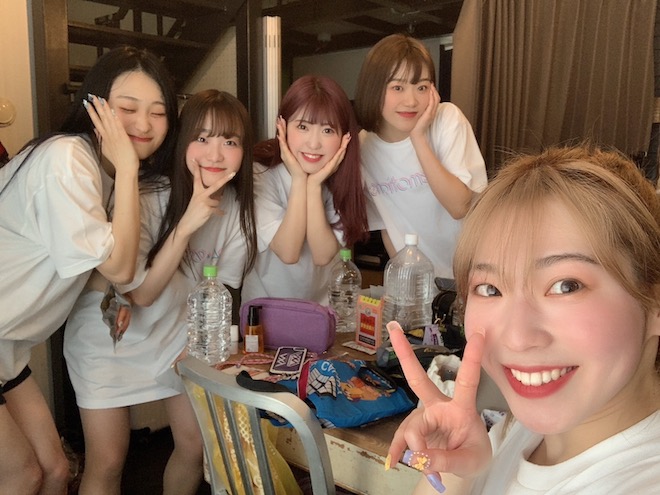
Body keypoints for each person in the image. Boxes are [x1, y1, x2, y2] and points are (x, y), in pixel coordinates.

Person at [385, 144, 660, 494]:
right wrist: (457, 470)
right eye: (490, 289)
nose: (516, 337)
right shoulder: (521, 434)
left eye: (565, 285)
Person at [64, 89, 257, 495]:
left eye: (230, 141)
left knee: (194, 445)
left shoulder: (238, 209)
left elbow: (220, 290)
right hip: (108, 336)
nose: (215, 154)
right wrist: (186, 225)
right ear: (182, 141)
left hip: (175, 336)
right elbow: (140, 294)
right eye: (202, 138)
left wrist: (199, 343)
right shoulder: (149, 195)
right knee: (108, 460)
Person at [0, 44, 172, 494]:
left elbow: (101, 268)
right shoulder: (68, 160)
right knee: (22, 475)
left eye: (158, 112)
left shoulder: (104, 172)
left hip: (7, 347)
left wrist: (118, 294)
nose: (144, 124)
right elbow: (120, 266)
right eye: (128, 109)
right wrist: (130, 170)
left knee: (57, 471)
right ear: (94, 108)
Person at [354, 34, 487, 279]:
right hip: (418, 282)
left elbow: (460, 207)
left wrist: (418, 138)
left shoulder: (447, 120)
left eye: (422, 87)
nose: (411, 101)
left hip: (474, 270)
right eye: (397, 87)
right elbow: (387, 225)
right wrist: (405, 282)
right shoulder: (363, 146)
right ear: (373, 89)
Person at [241, 75, 369, 304]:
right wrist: (300, 180)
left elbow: (323, 255)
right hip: (265, 309)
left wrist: (314, 185)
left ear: (344, 137)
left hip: (323, 309)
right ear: (282, 127)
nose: (313, 143)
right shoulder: (260, 173)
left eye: (327, 130)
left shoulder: (346, 178)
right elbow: (288, 252)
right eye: (303, 126)